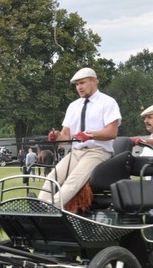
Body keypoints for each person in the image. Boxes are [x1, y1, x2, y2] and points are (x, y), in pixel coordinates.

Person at [40, 67, 121, 206]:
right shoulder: (73, 106)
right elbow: (65, 136)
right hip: (76, 152)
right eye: (77, 84)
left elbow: (112, 133)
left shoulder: (108, 102)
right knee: (52, 177)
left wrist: (90, 135)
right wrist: (56, 136)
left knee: (73, 180)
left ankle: (51, 207)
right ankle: (38, 205)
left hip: (98, 151)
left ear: (94, 81)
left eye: (82, 83)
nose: (79, 87)